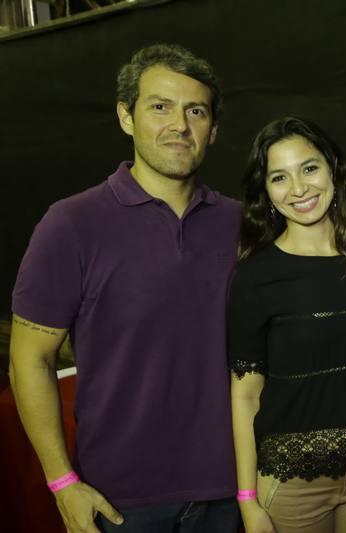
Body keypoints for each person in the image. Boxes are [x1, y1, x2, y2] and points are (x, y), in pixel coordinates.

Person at [9, 44, 241, 533]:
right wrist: (61, 482)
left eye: (195, 111)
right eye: (160, 106)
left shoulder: (242, 224)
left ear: (214, 129)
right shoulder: (71, 224)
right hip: (119, 501)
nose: (179, 125)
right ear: (126, 116)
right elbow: (30, 358)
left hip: (231, 491)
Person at [227, 117, 346, 533]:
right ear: (267, 192)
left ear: (333, 170)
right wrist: (247, 499)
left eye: (309, 168)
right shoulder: (256, 277)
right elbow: (245, 396)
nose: (299, 188)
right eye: (279, 177)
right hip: (293, 484)